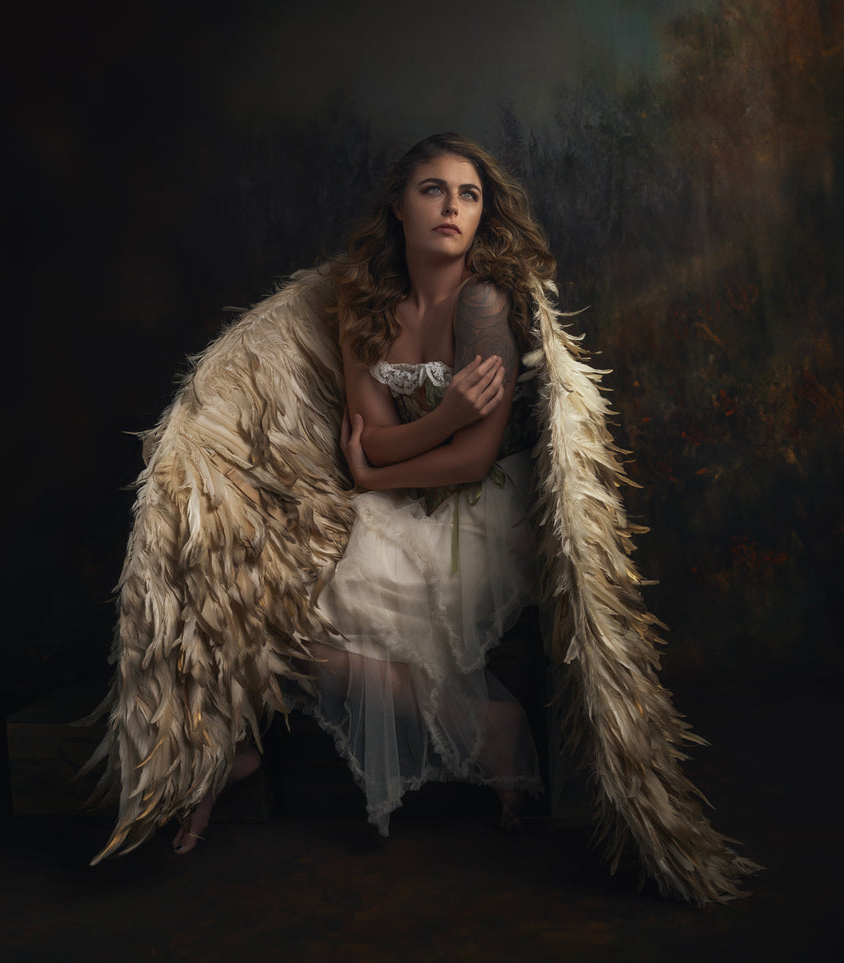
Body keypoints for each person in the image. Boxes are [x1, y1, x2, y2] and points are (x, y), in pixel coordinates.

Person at [91, 133, 759, 903]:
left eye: (468, 194)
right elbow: (370, 438)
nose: (451, 207)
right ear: (399, 209)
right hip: (396, 490)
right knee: (281, 606)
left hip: (482, 503)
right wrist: (425, 429)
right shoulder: (361, 301)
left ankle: (487, 732)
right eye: (432, 190)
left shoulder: (483, 304)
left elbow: (469, 459)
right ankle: (469, 728)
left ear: (482, 215)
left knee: (371, 596)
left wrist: (382, 466)